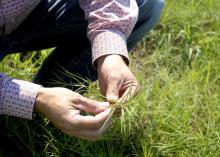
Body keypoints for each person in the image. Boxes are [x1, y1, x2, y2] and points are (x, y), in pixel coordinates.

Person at [0, 0, 164, 140]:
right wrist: (35, 97)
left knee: (147, 4)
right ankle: (45, 107)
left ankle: (53, 109)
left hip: (23, 14)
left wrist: (110, 52)